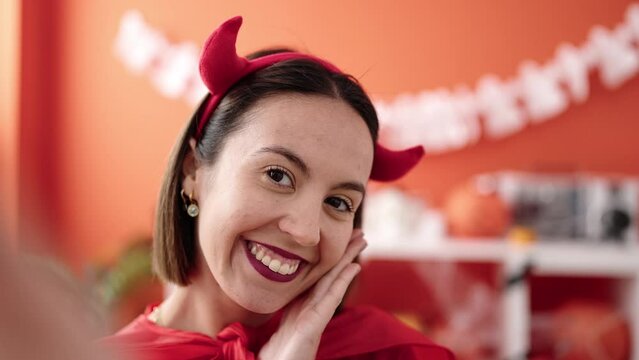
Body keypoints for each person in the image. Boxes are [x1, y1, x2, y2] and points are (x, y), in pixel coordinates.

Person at [102, 16, 454, 360]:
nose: (305, 232)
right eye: (277, 175)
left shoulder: (391, 352)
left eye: (337, 201)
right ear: (194, 172)